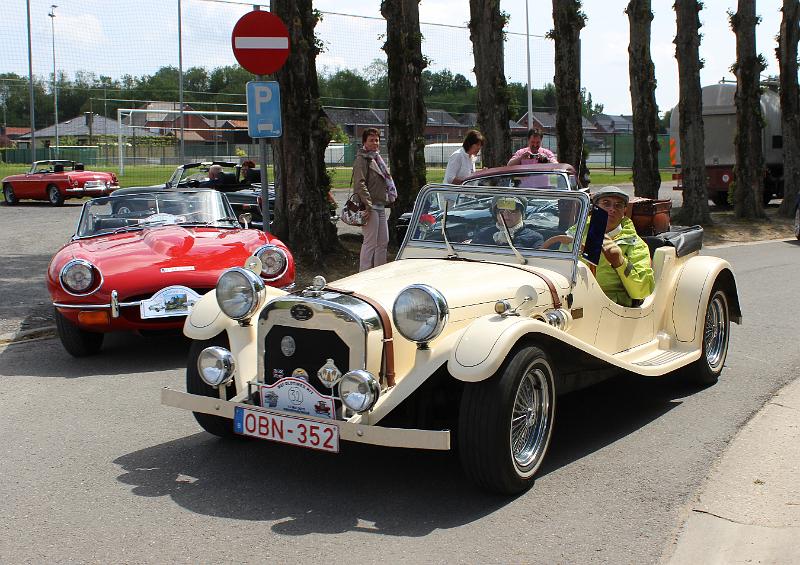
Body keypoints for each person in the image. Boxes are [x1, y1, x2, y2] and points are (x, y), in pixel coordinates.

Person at [577, 186, 654, 307]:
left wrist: (620, 262)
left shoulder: (635, 244)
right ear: (595, 207)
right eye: (606, 203)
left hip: (612, 309)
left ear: (624, 211)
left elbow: (642, 291)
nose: (612, 209)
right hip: (574, 301)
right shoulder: (576, 235)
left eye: (618, 205)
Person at [352, 127, 397, 271]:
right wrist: (368, 205)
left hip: (380, 205)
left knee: (383, 242)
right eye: (371, 140)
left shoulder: (377, 158)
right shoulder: (362, 159)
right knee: (370, 242)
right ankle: (364, 273)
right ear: (364, 142)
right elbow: (359, 184)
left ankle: (379, 272)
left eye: (377, 140)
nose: (375, 143)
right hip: (369, 207)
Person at [472, 195, 543, 249]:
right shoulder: (483, 234)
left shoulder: (534, 238)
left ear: (522, 214)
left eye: (513, 211)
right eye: (501, 211)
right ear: (495, 214)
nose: (506, 215)